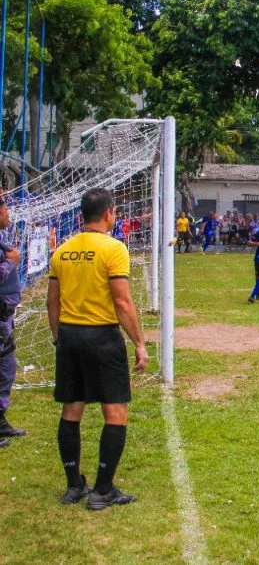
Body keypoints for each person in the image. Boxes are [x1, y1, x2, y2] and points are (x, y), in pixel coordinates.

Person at [47, 187, 148, 509]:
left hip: (69, 336)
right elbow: (121, 300)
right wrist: (140, 343)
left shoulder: (62, 251)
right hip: (102, 337)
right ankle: (103, 490)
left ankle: (74, 485)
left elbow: (52, 302)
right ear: (108, 213)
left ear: (81, 215)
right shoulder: (113, 248)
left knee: (72, 409)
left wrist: (58, 338)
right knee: (115, 411)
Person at [0, 197, 26, 448]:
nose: (9, 213)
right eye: (6, 209)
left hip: (5, 316)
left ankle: (0, 419)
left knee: (6, 368)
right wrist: (11, 262)